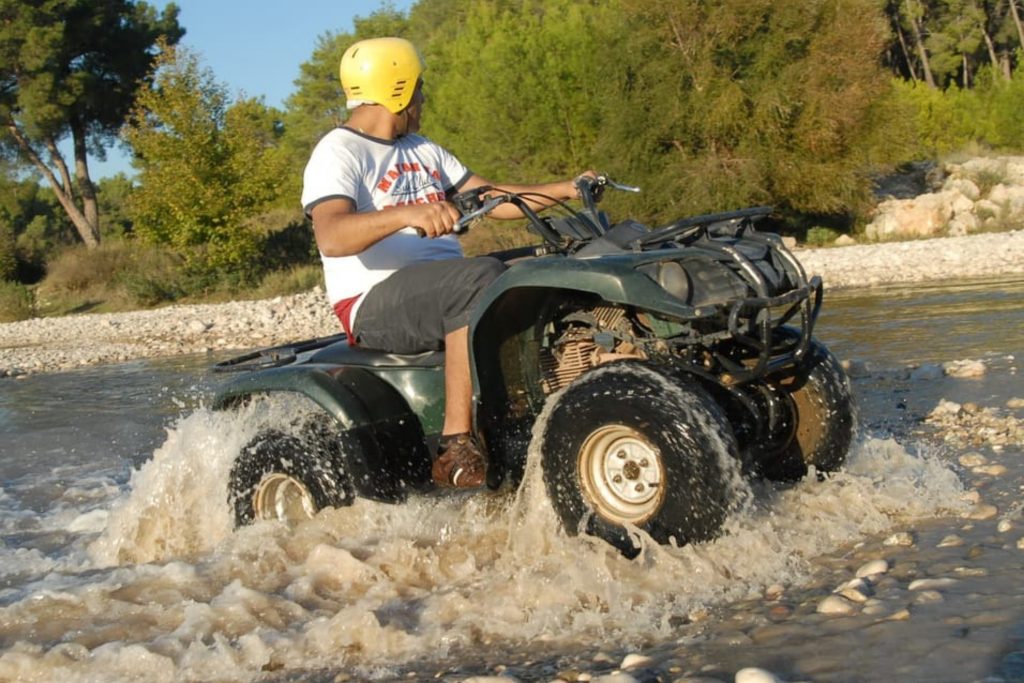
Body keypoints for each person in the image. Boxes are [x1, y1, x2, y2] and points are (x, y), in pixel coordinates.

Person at [301, 36, 593, 489]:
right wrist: (408, 213)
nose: (422, 99)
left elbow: (495, 198)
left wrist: (569, 188)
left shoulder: (424, 149)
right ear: (397, 89)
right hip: (373, 302)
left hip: (444, 284)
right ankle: (455, 446)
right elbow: (332, 235)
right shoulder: (339, 151)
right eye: (418, 88)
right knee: (478, 278)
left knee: (543, 270)